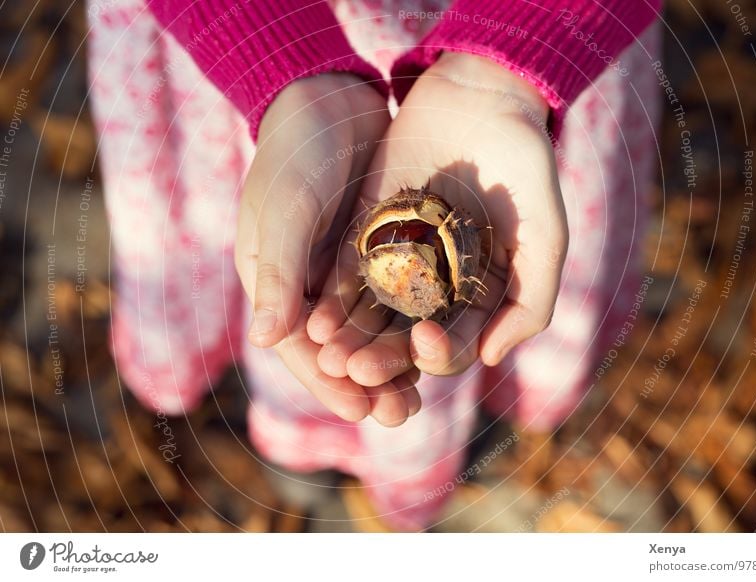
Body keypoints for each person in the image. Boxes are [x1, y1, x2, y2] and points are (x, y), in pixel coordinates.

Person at [87, 0, 662, 530]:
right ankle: (310, 435)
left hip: (538, 45)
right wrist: (275, 52)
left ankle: (447, 428)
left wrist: (509, 58)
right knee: (299, 275)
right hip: (240, 34)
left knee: (401, 324)